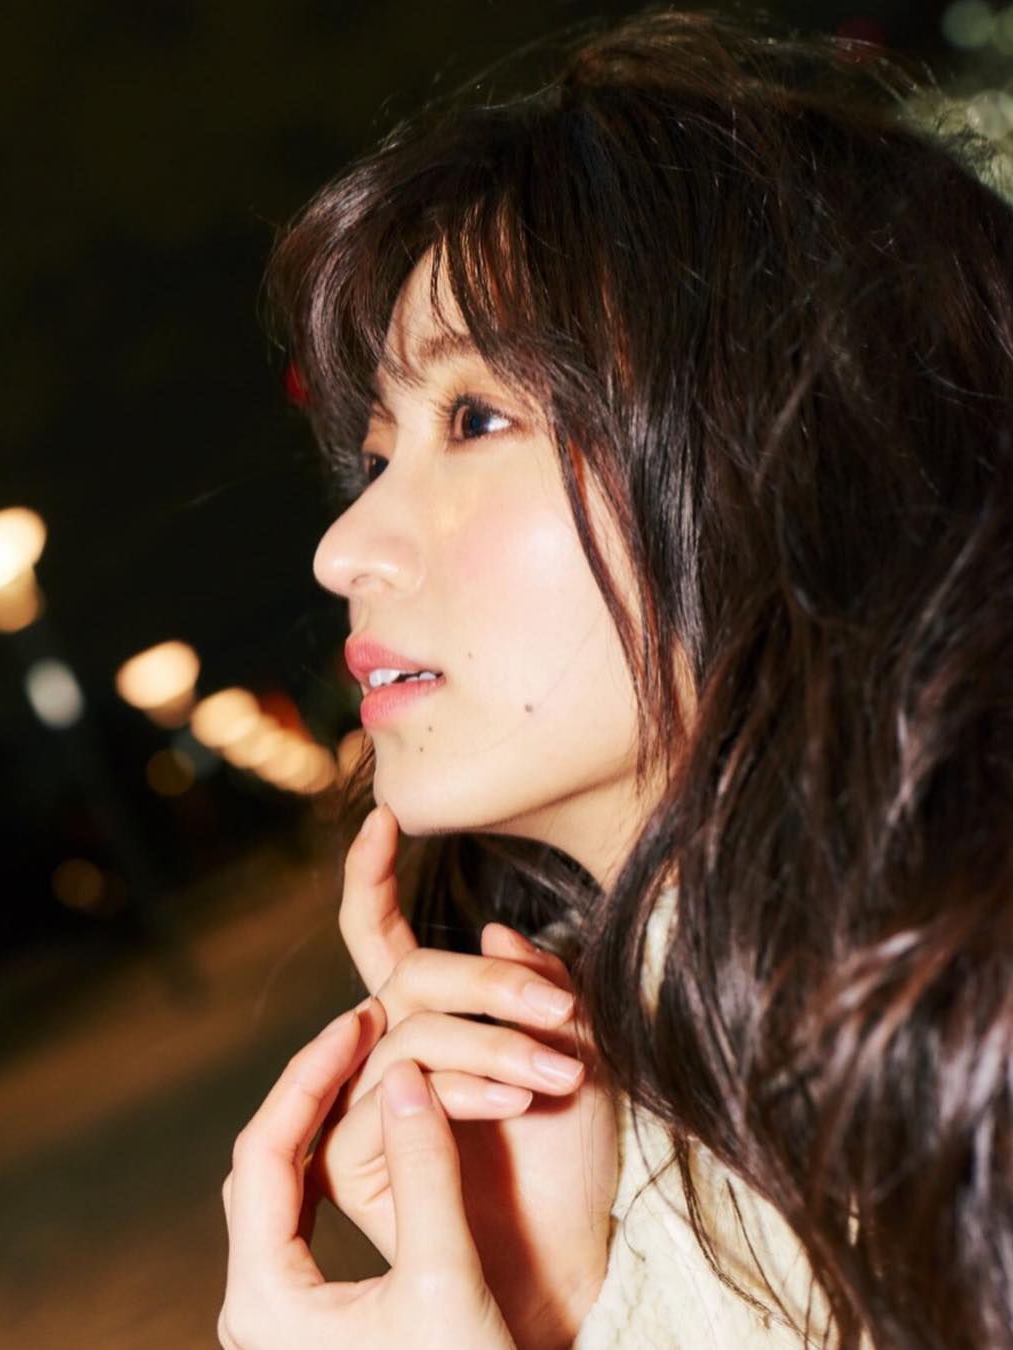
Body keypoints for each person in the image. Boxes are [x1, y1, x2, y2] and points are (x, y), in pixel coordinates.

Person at [218, 7, 1013, 1348]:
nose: (343, 548)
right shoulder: (689, 1089)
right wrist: (557, 1297)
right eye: (378, 457)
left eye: (478, 417)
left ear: (795, 453)